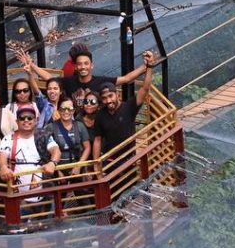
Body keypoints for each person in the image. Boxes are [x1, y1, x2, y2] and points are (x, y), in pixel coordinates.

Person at [21, 44, 155, 110]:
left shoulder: (101, 81)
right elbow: (50, 78)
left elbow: (126, 79)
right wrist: (31, 65)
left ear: (92, 65)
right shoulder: (70, 81)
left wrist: (147, 66)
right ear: (76, 66)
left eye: (86, 64)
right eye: (79, 64)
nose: (83, 67)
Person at [93, 50, 156, 160]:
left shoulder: (129, 107)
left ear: (117, 95)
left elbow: (145, 89)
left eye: (110, 96)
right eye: (104, 98)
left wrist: (149, 66)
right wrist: (96, 163)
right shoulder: (100, 115)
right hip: (109, 159)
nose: (108, 100)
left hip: (128, 158)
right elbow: (97, 140)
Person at [0, 106, 59, 194]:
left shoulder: (44, 136)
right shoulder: (8, 138)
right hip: (17, 195)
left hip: (45, 192)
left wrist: (52, 163)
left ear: (35, 120)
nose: (26, 120)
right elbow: (1, 155)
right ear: (17, 121)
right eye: (22, 118)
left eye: (30, 117)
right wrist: (3, 167)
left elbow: (55, 150)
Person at [45, 97, 90, 178]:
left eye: (70, 109)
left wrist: (79, 166)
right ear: (58, 110)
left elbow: (87, 147)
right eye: (63, 109)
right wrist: (56, 171)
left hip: (77, 168)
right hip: (56, 170)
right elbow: (45, 152)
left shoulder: (80, 126)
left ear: (74, 111)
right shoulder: (50, 127)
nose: (66, 112)